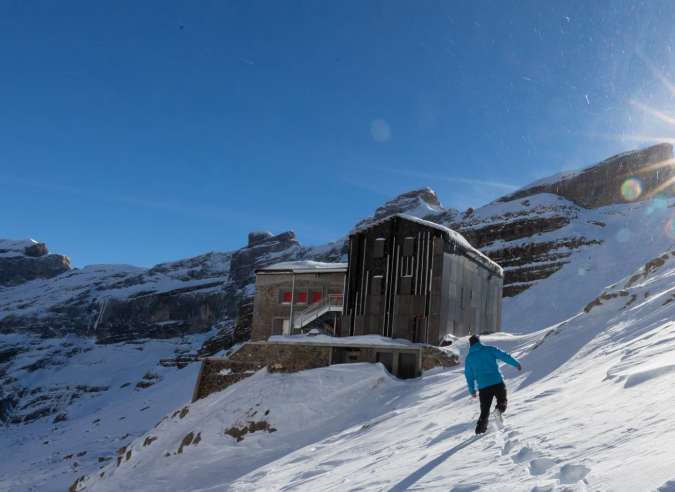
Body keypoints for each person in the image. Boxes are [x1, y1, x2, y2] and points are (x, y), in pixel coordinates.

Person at [464, 334, 522, 434]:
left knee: (484, 412)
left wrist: (472, 390)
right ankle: (498, 410)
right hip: (497, 382)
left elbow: (469, 375)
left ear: (471, 345)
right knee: (502, 400)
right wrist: (517, 364)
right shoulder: (490, 349)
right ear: (479, 341)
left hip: (483, 387)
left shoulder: (469, 358)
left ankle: (479, 432)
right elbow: (504, 356)